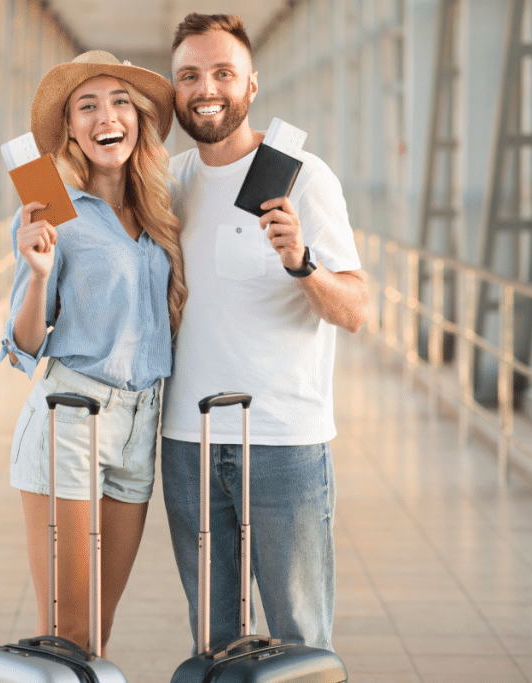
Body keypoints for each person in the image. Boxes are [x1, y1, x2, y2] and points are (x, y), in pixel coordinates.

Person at [160, 13, 369, 654]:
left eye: (224, 73)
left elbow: (356, 307)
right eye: (190, 75)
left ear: (252, 86)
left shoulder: (304, 177)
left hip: (282, 443)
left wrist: (302, 263)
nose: (207, 88)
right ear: (174, 91)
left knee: (299, 639)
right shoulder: (170, 183)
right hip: (188, 443)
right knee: (213, 641)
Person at [0, 50, 186, 656]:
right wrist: (40, 273)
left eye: (121, 101)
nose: (109, 116)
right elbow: (23, 347)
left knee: (96, 632)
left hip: (140, 426)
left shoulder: (158, 212)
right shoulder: (54, 209)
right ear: (72, 130)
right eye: (89, 105)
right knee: (70, 636)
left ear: (138, 120)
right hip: (70, 418)